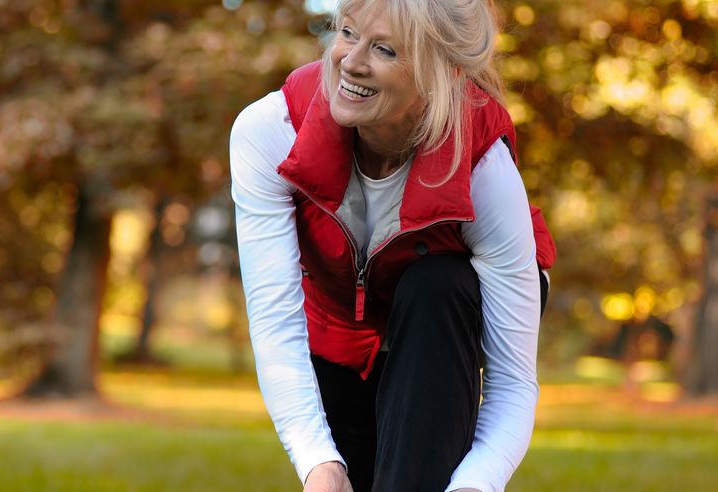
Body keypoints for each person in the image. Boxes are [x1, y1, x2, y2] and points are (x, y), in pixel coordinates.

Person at [229, 1, 556, 491]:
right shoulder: (272, 132)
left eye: (384, 49)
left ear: (441, 74)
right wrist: (318, 460)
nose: (351, 62)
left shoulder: (484, 168)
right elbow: (276, 321)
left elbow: (512, 383)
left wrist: (476, 484)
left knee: (435, 284)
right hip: (340, 324)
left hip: (455, 312)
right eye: (347, 33)